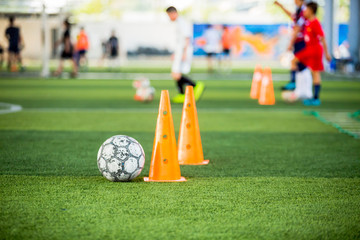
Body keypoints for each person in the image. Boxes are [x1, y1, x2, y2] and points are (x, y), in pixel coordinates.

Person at [291, 2, 331, 106]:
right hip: (308, 49)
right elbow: (293, 18)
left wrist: (327, 54)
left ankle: (315, 98)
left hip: (315, 50)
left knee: (315, 73)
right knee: (294, 61)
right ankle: (300, 88)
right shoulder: (307, 22)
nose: (304, 11)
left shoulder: (315, 23)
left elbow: (322, 38)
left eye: (306, 10)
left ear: (311, 11)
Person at [166, 6, 205, 103]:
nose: (169, 18)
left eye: (169, 15)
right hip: (181, 51)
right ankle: (182, 94)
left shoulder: (181, 22)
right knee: (177, 73)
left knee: (176, 73)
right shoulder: (179, 23)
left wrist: (183, 53)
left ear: (173, 13)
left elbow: (187, 38)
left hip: (183, 51)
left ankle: (194, 86)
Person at [274, 0, 307, 90]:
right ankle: (295, 84)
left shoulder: (304, 12)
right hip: (298, 42)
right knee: (296, 63)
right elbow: (292, 16)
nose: (294, 1)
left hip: (301, 42)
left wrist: (290, 43)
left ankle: (297, 85)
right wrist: (281, 6)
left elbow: (297, 29)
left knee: (298, 64)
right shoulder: (299, 11)